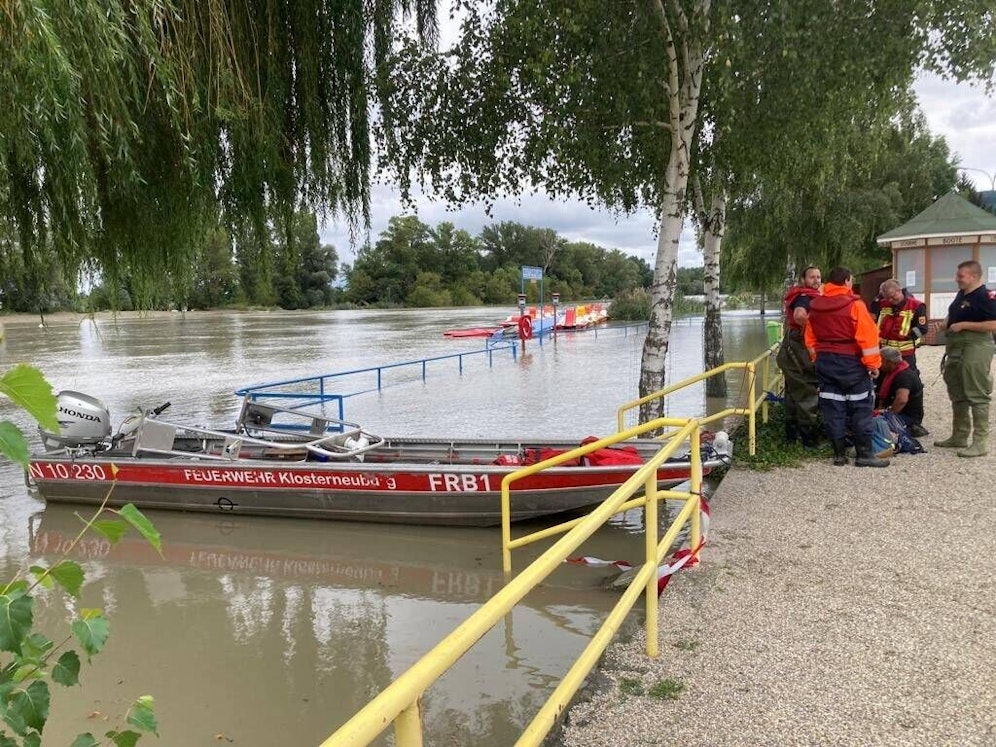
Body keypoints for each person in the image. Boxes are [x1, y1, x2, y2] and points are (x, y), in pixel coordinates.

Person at [804, 266, 888, 467]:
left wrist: (818, 359)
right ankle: (864, 455)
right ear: (848, 281)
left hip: (825, 362)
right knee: (860, 408)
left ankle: (839, 455)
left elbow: (809, 339)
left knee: (833, 408)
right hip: (851, 363)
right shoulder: (855, 305)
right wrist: (873, 365)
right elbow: (868, 338)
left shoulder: (815, 307)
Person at [934, 260, 996, 457]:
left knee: (976, 392)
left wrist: (965, 325)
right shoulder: (962, 293)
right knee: (957, 391)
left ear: (974, 276)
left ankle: (980, 443)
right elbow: (953, 314)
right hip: (956, 347)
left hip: (976, 346)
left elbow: (993, 324)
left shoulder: (986, 297)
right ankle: (959, 435)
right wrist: (944, 324)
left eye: (960, 276)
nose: (957, 279)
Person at [776, 266, 821, 446]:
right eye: (812, 277)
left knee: (793, 391)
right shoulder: (804, 297)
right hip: (797, 350)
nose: (816, 280)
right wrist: (814, 329)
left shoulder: (805, 295)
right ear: (803, 280)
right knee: (806, 389)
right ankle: (809, 440)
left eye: (818, 277)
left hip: (792, 350)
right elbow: (799, 315)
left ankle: (791, 437)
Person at [869, 279, 928, 372]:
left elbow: (923, 329)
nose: (891, 300)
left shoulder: (916, 306)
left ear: (899, 291)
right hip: (885, 353)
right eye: (887, 298)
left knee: (907, 377)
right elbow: (873, 318)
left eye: (893, 297)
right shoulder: (882, 304)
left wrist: (909, 335)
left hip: (905, 353)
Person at [875, 347, 926, 436]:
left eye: (881, 361)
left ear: (889, 362)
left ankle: (911, 428)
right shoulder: (895, 371)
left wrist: (888, 417)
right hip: (900, 412)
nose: (879, 364)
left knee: (874, 426)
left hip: (907, 416)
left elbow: (901, 400)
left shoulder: (904, 376)